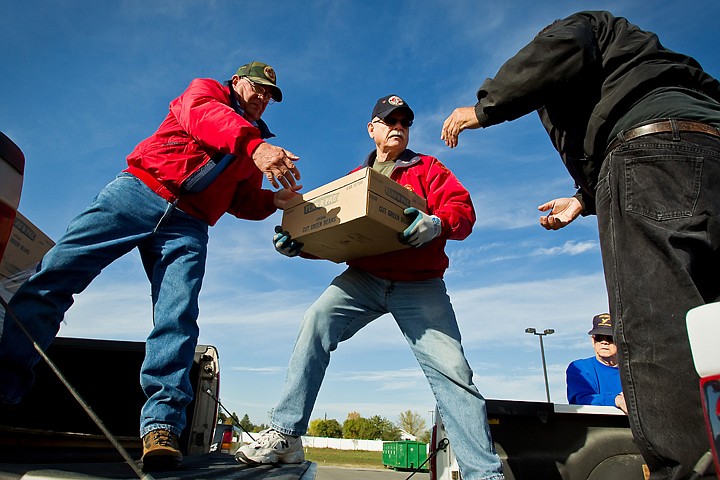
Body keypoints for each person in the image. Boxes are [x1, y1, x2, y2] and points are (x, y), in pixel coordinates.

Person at [440, 10, 720, 480]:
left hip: (651, 154)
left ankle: (688, 472)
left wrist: (485, 106)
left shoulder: (583, 28)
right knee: (708, 323)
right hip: (705, 150)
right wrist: (581, 199)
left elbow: (560, 50)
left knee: (657, 326)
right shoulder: (643, 66)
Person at [0, 61, 301, 471]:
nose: (263, 98)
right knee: (55, 277)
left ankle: (161, 425)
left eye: (270, 95)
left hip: (189, 226)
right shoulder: (206, 94)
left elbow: (241, 201)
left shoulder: (253, 146)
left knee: (177, 317)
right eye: (258, 88)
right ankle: (3, 387)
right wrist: (255, 146)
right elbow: (208, 119)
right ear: (236, 82)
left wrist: (271, 202)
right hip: (138, 193)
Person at [236, 94, 504, 480]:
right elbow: (335, 234)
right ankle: (287, 434)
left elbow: (462, 210)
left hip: (419, 282)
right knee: (316, 320)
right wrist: (300, 246)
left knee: (453, 372)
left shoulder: (428, 168)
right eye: (389, 120)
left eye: (405, 122)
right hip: (364, 277)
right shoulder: (352, 181)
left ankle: (484, 473)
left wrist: (437, 223)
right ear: (372, 129)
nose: (398, 126)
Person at [566, 313, 626, 413]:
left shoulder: (634, 370)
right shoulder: (579, 368)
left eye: (610, 338)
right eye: (599, 338)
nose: (604, 342)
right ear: (593, 341)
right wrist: (617, 400)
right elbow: (581, 400)